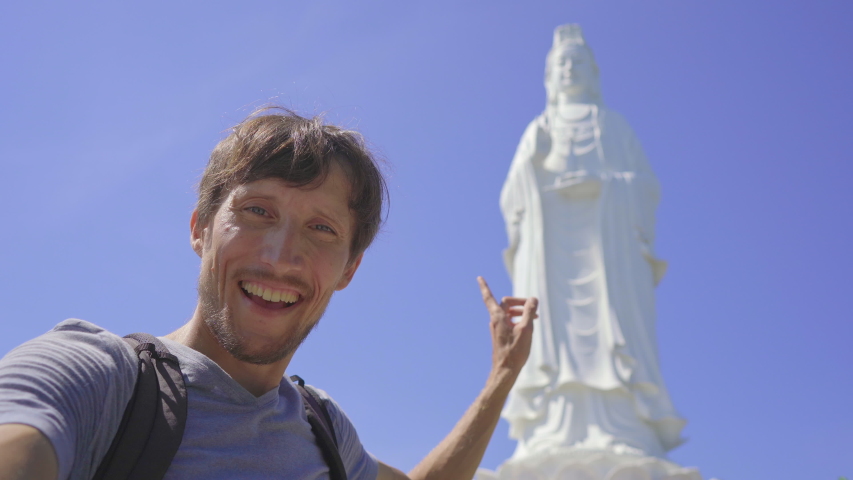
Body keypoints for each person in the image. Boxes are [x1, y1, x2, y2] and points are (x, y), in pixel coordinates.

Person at [0, 110, 539, 480]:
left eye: (322, 229)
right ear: (200, 228)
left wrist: (502, 378)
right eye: (257, 212)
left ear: (349, 269)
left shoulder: (323, 429)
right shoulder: (97, 379)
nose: (281, 257)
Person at [499, 24, 685, 461]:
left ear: (593, 72)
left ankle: (622, 425)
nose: (569, 69)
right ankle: (552, 429)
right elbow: (512, 198)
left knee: (611, 328)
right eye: (561, 63)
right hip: (551, 251)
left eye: (577, 61)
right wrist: (534, 166)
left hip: (608, 249)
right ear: (549, 75)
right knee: (551, 331)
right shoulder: (537, 129)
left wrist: (604, 187)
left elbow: (646, 187)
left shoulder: (613, 127)